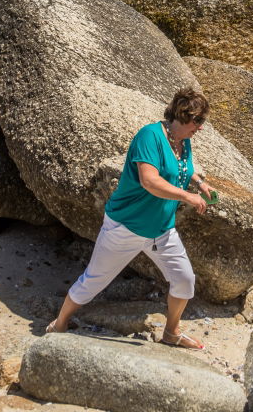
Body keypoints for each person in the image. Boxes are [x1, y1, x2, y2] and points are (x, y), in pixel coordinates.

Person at [46, 86, 215, 349]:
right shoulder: (149, 136)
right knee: (94, 280)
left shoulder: (184, 141)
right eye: (198, 121)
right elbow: (150, 180)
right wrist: (186, 196)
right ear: (182, 115)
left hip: (161, 229)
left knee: (184, 279)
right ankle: (59, 324)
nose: (201, 127)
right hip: (125, 227)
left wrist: (199, 183)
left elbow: (181, 167)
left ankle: (171, 332)